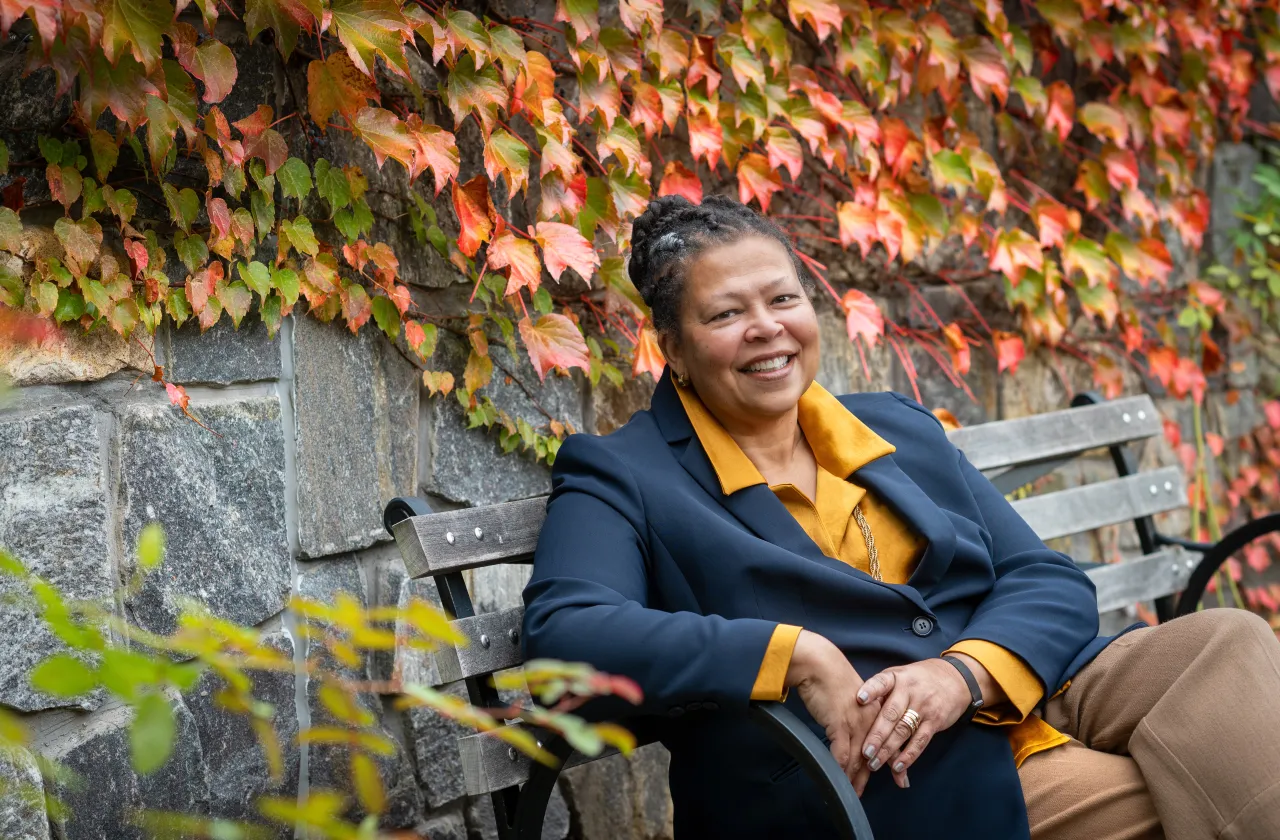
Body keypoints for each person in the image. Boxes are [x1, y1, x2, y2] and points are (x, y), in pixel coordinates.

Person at [521, 195, 1280, 840]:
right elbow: (567, 633)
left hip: (1014, 684)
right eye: (726, 313)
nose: (767, 327)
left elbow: (1044, 576)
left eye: (783, 299)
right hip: (880, 770)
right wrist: (795, 654)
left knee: (1229, 640)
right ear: (674, 350)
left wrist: (963, 673)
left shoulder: (894, 426)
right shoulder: (624, 472)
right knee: (1193, 791)